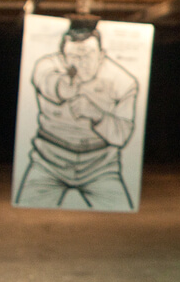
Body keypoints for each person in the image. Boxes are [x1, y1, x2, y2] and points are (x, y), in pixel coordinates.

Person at [15, 22, 138, 210]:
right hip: (48, 163)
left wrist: (96, 114)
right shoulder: (47, 65)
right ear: (63, 58)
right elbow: (46, 79)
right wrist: (63, 88)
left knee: (124, 217)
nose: (82, 63)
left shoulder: (123, 82)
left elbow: (122, 136)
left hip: (101, 167)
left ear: (102, 55)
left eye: (88, 55)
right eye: (74, 56)